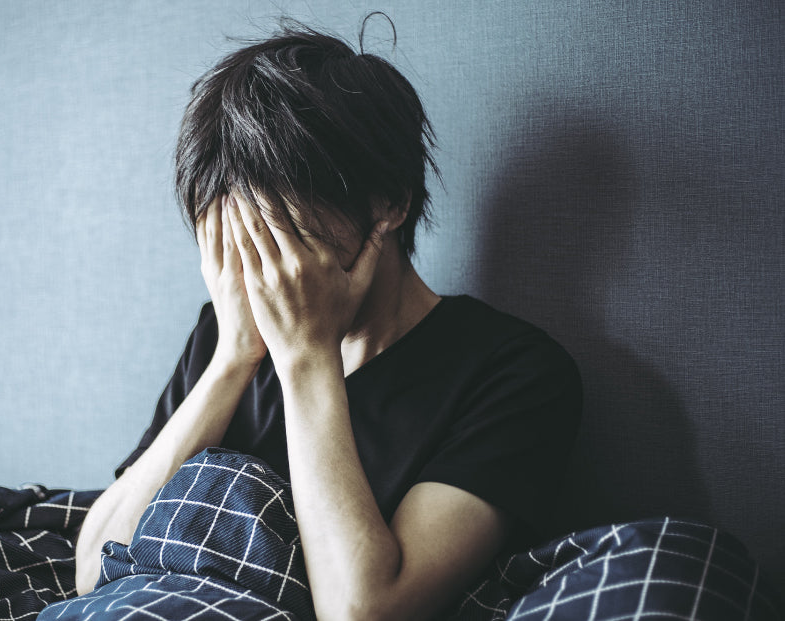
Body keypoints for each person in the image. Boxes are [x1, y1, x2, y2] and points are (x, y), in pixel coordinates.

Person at [73, 18, 581, 620]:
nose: (257, 262)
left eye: (276, 231)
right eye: (231, 236)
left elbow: (364, 610)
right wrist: (234, 357)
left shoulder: (514, 372)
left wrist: (308, 358)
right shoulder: (225, 336)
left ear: (388, 201)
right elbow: (91, 570)